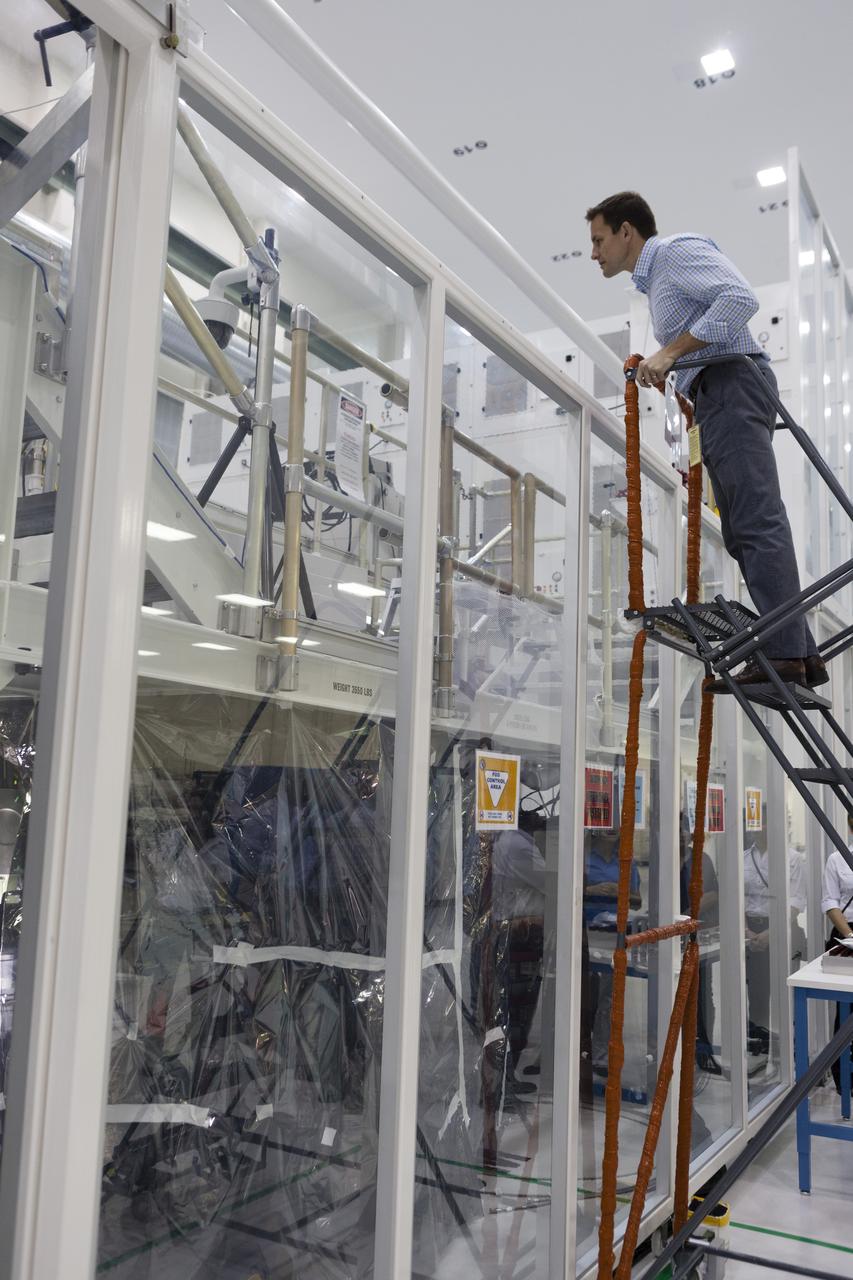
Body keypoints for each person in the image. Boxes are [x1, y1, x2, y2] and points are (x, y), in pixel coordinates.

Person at [585, 191, 827, 691]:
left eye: (599, 240)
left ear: (627, 232)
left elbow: (740, 299)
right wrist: (673, 365)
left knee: (756, 520)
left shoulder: (674, 252)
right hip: (718, 394)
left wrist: (670, 353)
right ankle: (799, 651)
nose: (594, 253)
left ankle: (786, 655)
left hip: (732, 385)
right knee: (742, 531)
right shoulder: (657, 283)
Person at [820, 814, 853, 1092]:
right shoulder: (837, 859)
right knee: (846, 1009)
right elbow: (831, 903)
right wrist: (851, 936)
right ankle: (844, 1076)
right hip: (847, 934)